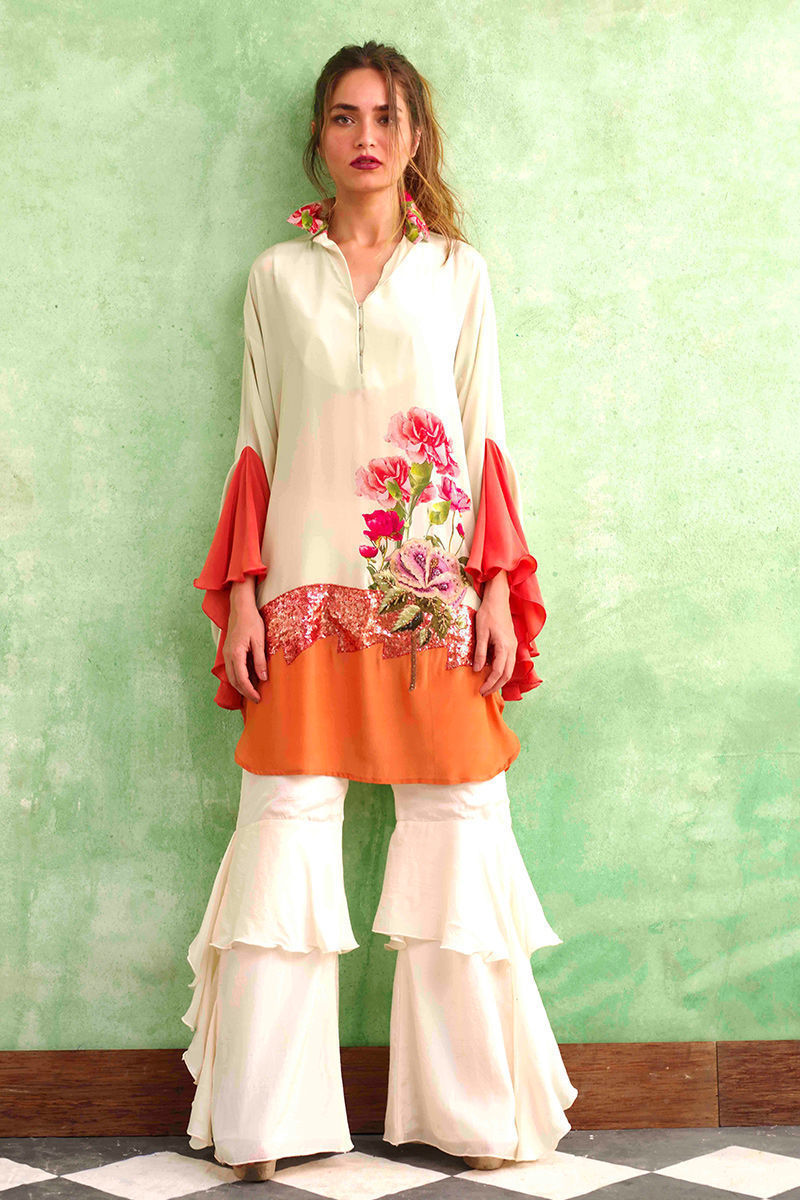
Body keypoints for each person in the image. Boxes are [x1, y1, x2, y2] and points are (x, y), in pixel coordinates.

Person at [180, 39, 578, 1183]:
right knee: (284, 828)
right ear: (319, 136)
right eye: (345, 115)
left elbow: (483, 436)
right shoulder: (274, 276)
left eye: (387, 116)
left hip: (427, 594)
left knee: (457, 829)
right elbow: (254, 444)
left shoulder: (456, 273)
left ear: (414, 138)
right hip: (299, 594)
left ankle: (472, 1118)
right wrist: (240, 600)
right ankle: (264, 1126)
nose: (366, 135)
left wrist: (493, 587)